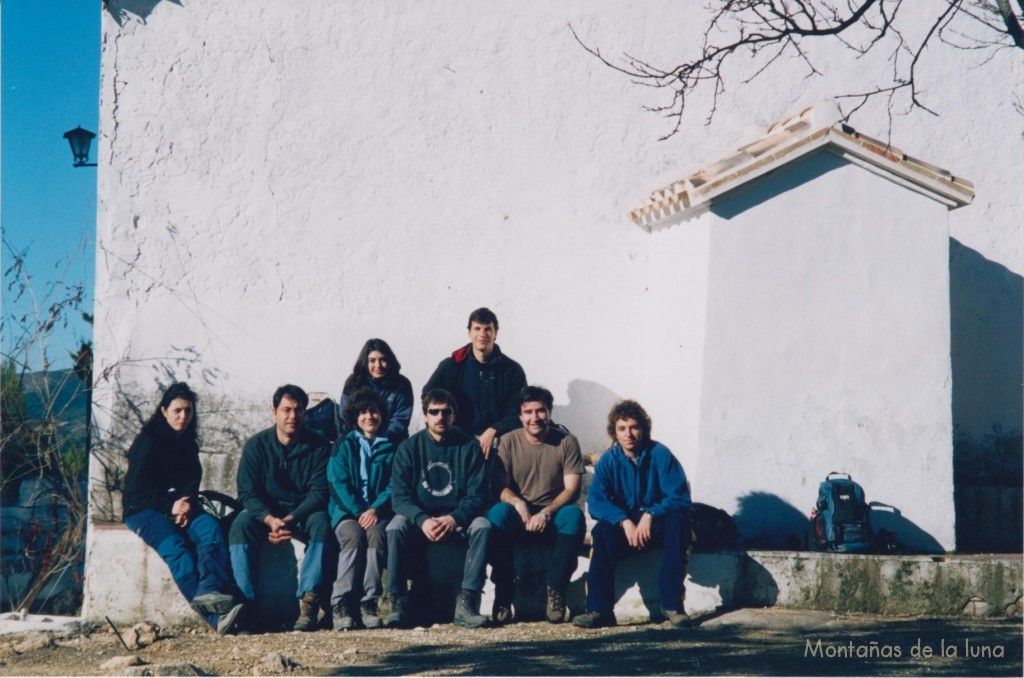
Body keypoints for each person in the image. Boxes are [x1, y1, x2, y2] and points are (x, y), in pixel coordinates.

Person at [122, 382, 243, 635]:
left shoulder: (188, 443)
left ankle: (209, 591)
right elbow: (136, 490)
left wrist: (185, 503)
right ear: (164, 410)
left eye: (188, 411)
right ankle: (215, 620)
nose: (183, 416)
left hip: (182, 506)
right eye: (177, 410)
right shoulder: (147, 442)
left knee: (210, 529)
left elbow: (191, 479)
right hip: (144, 510)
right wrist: (170, 506)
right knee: (177, 550)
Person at [572, 400, 692, 630]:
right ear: (614, 432)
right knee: (602, 532)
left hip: (656, 525)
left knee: (678, 522)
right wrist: (624, 521)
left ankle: (673, 607)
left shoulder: (660, 454)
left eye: (634, 427)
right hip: (625, 528)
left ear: (643, 429)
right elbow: (596, 502)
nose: (629, 434)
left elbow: (679, 496)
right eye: (622, 428)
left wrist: (651, 514)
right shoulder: (609, 460)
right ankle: (600, 610)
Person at [385, 388, 491, 628]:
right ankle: (398, 601)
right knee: (394, 527)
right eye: (434, 412)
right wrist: (422, 520)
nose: (440, 417)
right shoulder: (409, 448)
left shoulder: (469, 446)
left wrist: (454, 518)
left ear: (454, 415)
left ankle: (468, 602)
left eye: (446, 412)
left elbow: (479, 495)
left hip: (457, 519)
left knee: (483, 525)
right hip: (421, 521)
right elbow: (399, 498)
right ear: (425, 415)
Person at [229, 384, 332, 632]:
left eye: (298, 410)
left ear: (305, 413)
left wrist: (289, 518)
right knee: (240, 525)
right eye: (286, 410)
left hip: (302, 512)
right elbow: (247, 492)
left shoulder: (319, 446)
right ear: (274, 411)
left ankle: (308, 603)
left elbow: (319, 492)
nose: (292, 416)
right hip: (266, 513)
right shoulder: (256, 446)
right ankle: (246, 607)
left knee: (322, 525)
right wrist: (270, 519)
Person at [487, 385, 586, 624]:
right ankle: (503, 591)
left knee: (573, 516)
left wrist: (546, 513)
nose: (535, 418)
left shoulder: (567, 442)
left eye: (540, 411)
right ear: (520, 416)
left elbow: (572, 489)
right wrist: (518, 503)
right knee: (497, 514)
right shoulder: (508, 442)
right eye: (528, 412)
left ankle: (556, 590)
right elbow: (500, 487)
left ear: (549, 413)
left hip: (552, 513)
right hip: (519, 513)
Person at [327, 388, 396, 630]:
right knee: (353, 536)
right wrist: (359, 511)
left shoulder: (391, 447)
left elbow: (393, 484)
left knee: (377, 534)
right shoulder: (344, 446)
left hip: (377, 513)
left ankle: (369, 602)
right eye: (363, 412)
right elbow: (338, 482)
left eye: (374, 411)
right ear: (355, 416)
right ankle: (342, 603)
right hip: (347, 513)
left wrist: (375, 509)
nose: (369, 416)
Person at [423, 307, 527, 458]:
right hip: (456, 442)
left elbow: (519, 411)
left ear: (495, 333)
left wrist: (494, 430)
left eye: (488, 329)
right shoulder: (451, 366)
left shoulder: (512, 370)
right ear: (469, 332)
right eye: (477, 328)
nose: (482, 334)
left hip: (499, 443)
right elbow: (428, 396)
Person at [338, 338, 414, 443]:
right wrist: (363, 438)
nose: (378, 365)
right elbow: (345, 416)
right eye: (372, 360)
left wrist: (378, 439)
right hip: (357, 440)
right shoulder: (353, 383)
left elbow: (400, 419)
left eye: (383, 360)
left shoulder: (402, 384)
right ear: (365, 362)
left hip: (391, 441)